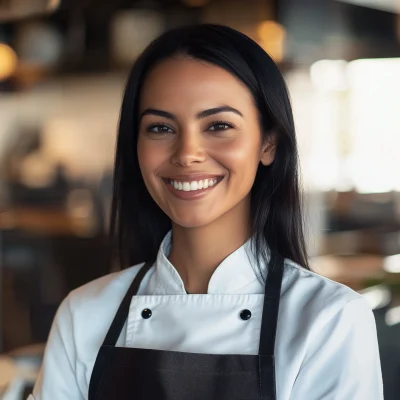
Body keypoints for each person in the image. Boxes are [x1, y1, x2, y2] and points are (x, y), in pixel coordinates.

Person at [29, 24, 383, 400]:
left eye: (218, 125)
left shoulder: (328, 320)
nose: (187, 154)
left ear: (268, 143)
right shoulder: (84, 314)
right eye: (161, 127)